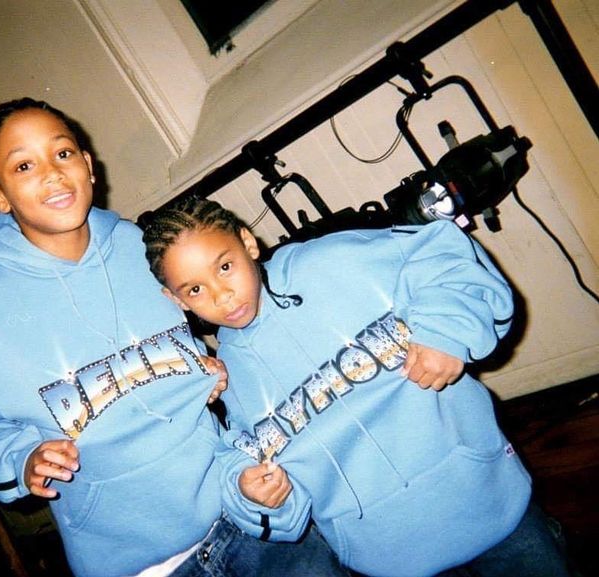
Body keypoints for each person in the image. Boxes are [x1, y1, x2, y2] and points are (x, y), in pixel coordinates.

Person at [0, 98, 350, 577]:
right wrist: (21, 459)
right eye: (24, 165)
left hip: (247, 508)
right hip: (142, 566)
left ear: (88, 166)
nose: (51, 173)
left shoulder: (141, 246)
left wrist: (205, 367)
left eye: (63, 153)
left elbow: (192, 329)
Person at [142, 196, 574, 577]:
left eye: (225, 266)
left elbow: (442, 252)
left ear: (248, 243)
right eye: (196, 289)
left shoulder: (329, 262)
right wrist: (256, 494)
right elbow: (240, 464)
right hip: (389, 557)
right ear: (177, 301)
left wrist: (445, 331)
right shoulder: (228, 379)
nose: (222, 295)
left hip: (491, 506)